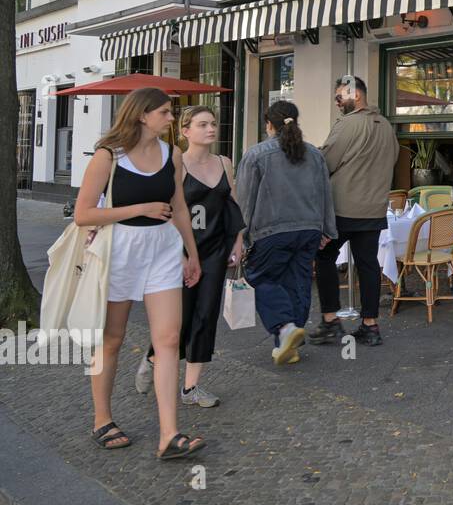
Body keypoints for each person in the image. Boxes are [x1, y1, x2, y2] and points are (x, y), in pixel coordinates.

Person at [74, 87, 205, 460]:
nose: (170, 119)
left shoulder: (172, 155)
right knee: (112, 338)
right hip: (120, 251)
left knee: (167, 338)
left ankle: (169, 434)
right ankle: (102, 419)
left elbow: (179, 207)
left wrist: (191, 253)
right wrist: (140, 208)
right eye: (164, 112)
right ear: (141, 115)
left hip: (162, 250)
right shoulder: (107, 156)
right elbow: (84, 213)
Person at [135, 106, 243, 408]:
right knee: (178, 318)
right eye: (202, 124)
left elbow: (231, 204)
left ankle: (191, 387)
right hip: (180, 249)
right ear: (186, 131)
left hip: (215, 249)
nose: (211, 129)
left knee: (206, 315)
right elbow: (165, 209)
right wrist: (178, 253)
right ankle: (154, 355)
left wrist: (238, 240)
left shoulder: (224, 162)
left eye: (213, 124)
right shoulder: (175, 163)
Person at [237, 101, 337, 365]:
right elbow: (326, 193)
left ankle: (284, 328)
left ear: (269, 124)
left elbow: (245, 200)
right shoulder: (314, 154)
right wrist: (327, 229)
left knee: (260, 277)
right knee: (298, 281)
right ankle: (287, 345)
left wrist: (241, 236)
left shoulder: (256, 154)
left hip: (271, 230)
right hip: (309, 229)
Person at [308, 76, 399, 348]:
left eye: (339, 97)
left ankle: (331, 321)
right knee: (368, 265)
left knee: (323, 257)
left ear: (355, 95)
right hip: (373, 208)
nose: (337, 103)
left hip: (343, 207)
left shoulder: (347, 125)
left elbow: (326, 162)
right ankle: (370, 326)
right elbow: (392, 159)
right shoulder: (386, 126)